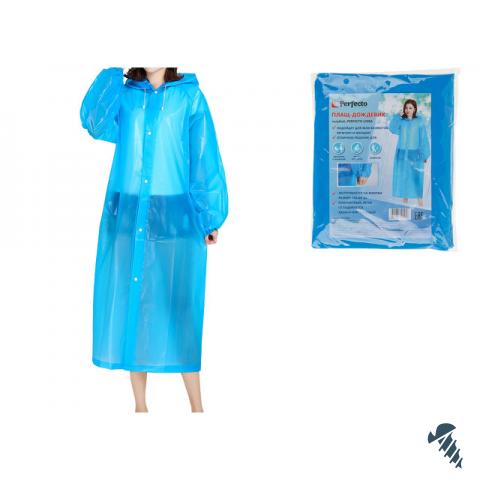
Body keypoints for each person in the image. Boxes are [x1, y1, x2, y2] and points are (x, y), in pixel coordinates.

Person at [80, 67, 228, 413]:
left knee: (181, 307)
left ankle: (197, 407)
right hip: (128, 213)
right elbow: (95, 122)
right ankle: (140, 407)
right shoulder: (126, 94)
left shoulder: (189, 97)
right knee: (134, 302)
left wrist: (209, 215)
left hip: (174, 215)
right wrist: (113, 69)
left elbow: (203, 157)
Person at [389, 99, 431, 206]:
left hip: (415, 153)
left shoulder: (419, 122)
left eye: (410, 108)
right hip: (402, 154)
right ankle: (405, 203)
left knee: (416, 177)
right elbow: (392, 129)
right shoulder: (401, 121)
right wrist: (397, 116)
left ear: (414, 109)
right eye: (406, 108)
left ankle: (420, 202)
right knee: (404, 177)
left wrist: (424, 155)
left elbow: (423, 138)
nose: (408, 110)